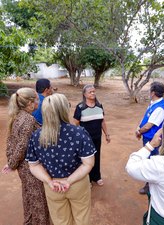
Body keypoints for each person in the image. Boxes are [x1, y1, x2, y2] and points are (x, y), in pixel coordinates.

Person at [26, 93, 96, 225]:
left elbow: (33, 166)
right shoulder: (79, 133)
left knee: (60, 221)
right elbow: (88, 164)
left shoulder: (36, 136)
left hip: (53, 187)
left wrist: (50, 181)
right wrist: (68, 181)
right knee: (82, 219)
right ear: (64, 109)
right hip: (77, 184)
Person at [1, 87, 50, 225]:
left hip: (23, 167)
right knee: (38, 200)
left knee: (29, 197)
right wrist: (11, 164)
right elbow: (22, 145)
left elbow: (11, 142)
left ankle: (29, 222)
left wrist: (11, 162)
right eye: (36, 99)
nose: (38, 102)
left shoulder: (17, 116)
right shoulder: (28, 119)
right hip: (30, 167)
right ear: (30, 103)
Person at [73, 84, 110, 186]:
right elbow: (75, 123)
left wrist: (107, 134)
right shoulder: (80, 107)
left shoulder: (99, 106)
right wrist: (79, 136)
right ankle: (87, 179)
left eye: (94, 91)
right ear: (84, 94)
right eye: (90, 92)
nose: (93, 93)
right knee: (86, 159)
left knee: (96, 157)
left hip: (97, 137)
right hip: (85, 139)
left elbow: (102, 121)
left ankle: (97, 177)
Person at [135, 81, 164, 194]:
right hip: (148, 138)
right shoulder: (153, 103)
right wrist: (139, 127)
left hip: (153, 140)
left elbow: (149, 125)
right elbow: (146, 117)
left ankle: (150, 186)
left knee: (152, 161)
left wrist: (139, 131)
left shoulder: (160, 108)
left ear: (153, 92)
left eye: (150, 90)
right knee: (149, 159)